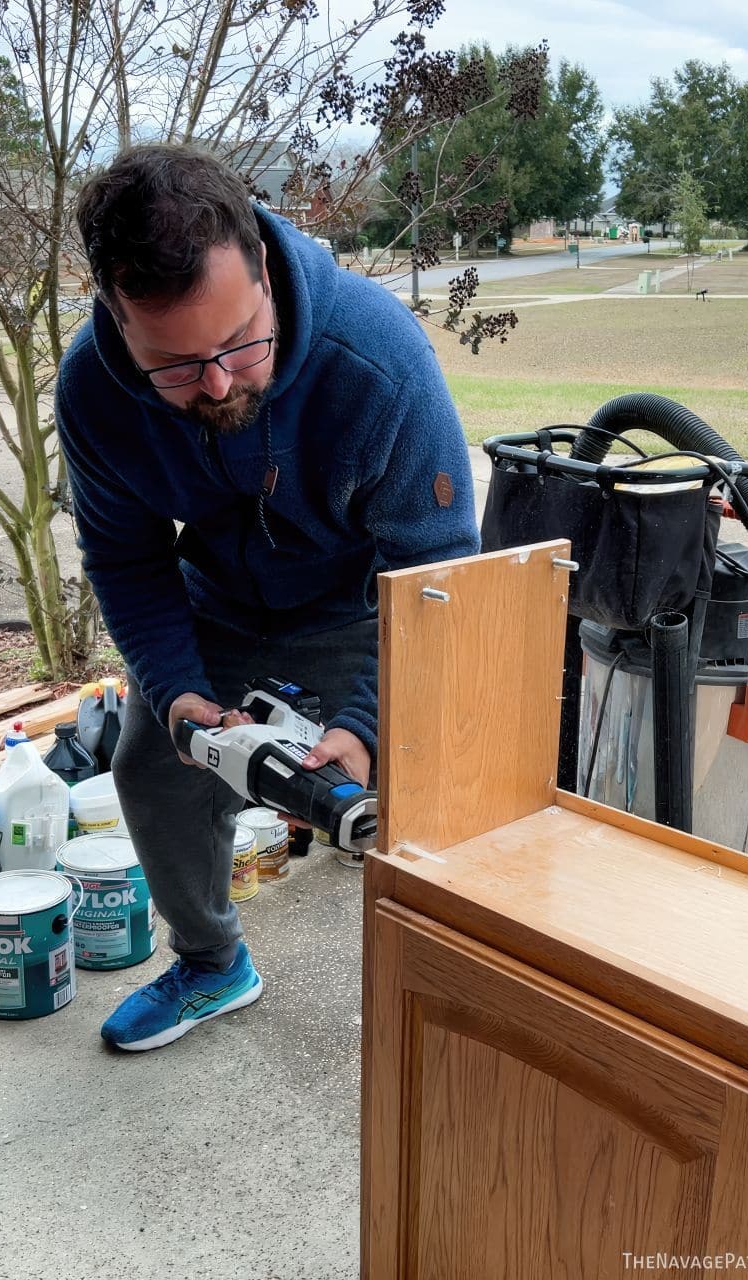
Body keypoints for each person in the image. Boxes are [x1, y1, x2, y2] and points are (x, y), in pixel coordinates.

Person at [56, 144, 480, 1052]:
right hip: (220, 605)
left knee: (435, 793)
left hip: (370, 607)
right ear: (116, 318)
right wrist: (173, 694)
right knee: (150, 769)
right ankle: (213, 966)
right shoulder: (93, 390)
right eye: (174, 364)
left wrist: (367, 724)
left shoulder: (377, 361)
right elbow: (126, 560)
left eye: (241, 341)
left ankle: (456, 1010)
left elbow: (440, 576)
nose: (216, 382)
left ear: (263, 267)